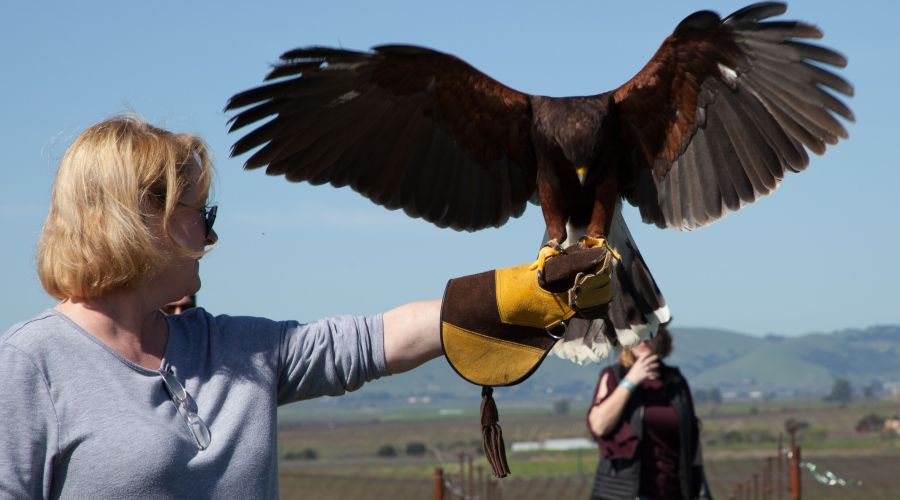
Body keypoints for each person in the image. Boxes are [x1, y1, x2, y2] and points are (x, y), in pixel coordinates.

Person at [0, 115, 609, 498]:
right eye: (199, 214)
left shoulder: (231, 348)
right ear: (140, 221)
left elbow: (371, 341)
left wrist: (517, 291)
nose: (211, 237)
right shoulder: (30, 366)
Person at [586, 326, 712, 500]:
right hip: (623, 493)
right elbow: (599, 426)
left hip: (673, 491)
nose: (642, 339)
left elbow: (692, 437)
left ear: (660, 337)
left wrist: (701, 489)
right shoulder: (612, 376)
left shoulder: (675, 381)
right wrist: (631, 381)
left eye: (649, 332)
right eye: (636, 334)